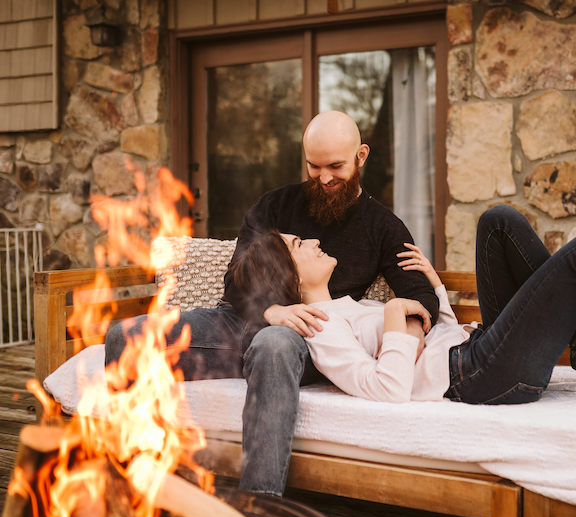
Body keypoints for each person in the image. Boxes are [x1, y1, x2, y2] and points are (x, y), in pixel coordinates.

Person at [104, 111, 438, 495]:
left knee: (274, 343)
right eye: (314, 166)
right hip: (236, 322)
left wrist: (408, 337)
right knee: (123, 337)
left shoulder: (383, 227)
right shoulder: (275, 205)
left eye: (336, 167)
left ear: (361, 156)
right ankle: (129, 481)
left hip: (309, 336)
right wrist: (270, 311)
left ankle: (260, 510)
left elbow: (419, 292)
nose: (324, 178)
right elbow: (237, 275)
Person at [231, 204, 576, 419]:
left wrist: (431, 288)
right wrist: (399, 320)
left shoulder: (348, 304)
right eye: (300, 243)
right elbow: (390, 389)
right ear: (291, 278)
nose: (313, 241)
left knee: (497, 223)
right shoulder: (320, 327)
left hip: (471, 350)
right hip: (479, 376)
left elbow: (435, 332)